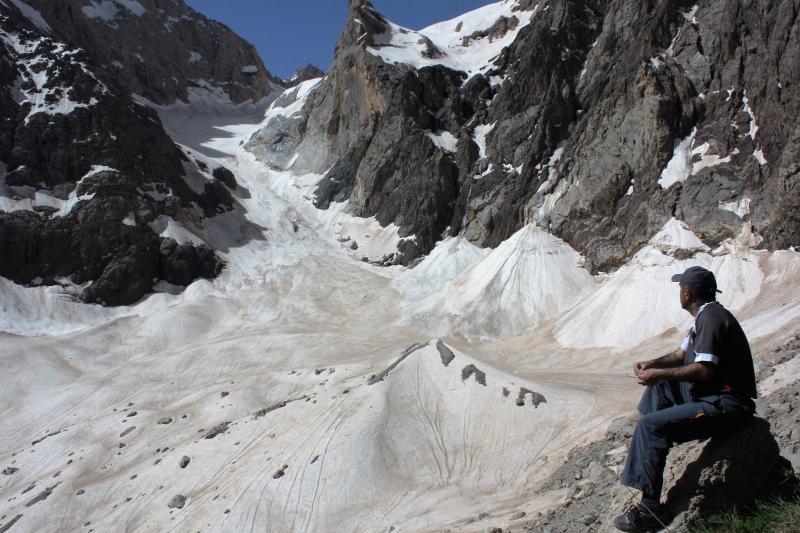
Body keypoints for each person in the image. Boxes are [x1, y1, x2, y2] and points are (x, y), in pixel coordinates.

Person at [613, 266, 758, 532]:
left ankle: (650, 510)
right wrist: (652, 364)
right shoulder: (704, 317)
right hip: (713, 396)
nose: (679, 291)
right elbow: (680, 356)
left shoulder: (711, 320)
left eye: (681, 287)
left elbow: (704, 369)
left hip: (726, 405)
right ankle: (654, 449)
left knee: (650, 427)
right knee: (661, 388)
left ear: (688, 293)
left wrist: (658, 374)